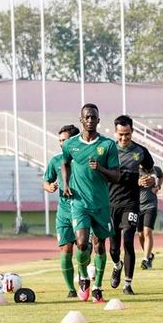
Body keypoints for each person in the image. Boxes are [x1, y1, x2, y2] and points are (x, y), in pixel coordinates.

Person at [61, 103, 121, 303]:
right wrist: (67, 184)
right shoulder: (71, 144)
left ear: (98, 120)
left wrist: (100, 169)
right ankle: (84, 277)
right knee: (81, 242)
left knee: (100, 246)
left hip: (101, 204)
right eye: (86, 117)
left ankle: (97, 287)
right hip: (79, 203)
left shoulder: (108, 145)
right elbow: (65, 163)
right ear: (81, 120)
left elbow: (116, 176)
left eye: (93, 117)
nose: (89, 120)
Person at [109, 115, 156, 295]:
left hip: (131, 203)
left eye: (127, 134)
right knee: (114, 247)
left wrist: (149, 180)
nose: (124, 138)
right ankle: (117, 264)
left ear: (132, 131)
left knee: (128, 242)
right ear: (115, 132)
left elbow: (151, 171)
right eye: (120, 134)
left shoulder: (141, 152)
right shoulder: (108, 149)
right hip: (111, 203)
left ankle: (128, 283)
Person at [43, 124, 80, 297]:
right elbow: (46, 181)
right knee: (66, 249)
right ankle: (71, 290)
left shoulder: (84, 158)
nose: (61, 144)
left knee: (83, 248)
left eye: (64, 140)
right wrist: (49, 186)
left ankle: (84, 278)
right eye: (59, 141)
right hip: (64, 212)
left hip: (82, 209)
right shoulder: (56, 161)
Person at [138, 165, 163, 270]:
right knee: (140, 234)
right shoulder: (134, 169)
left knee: (147, 232)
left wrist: (158, 186)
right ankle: (149, 255)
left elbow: (161, 176)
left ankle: (145, 259)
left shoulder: (155, 169)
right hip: (137, 205)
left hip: (150, 205)